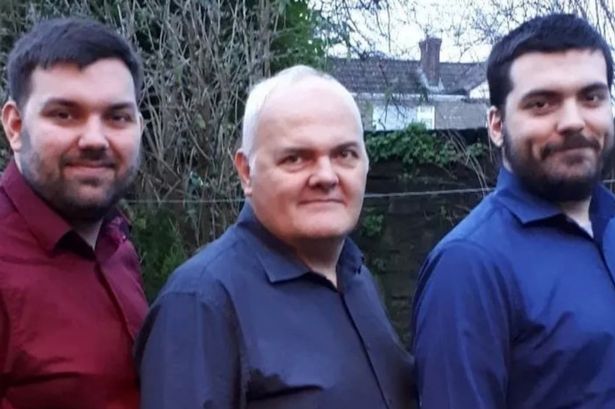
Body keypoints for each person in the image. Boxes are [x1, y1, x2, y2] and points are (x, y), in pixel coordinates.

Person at [136, 65, 414, 408]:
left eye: (345, 154)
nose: (326, 176)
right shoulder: (201, 304)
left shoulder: (357, 278)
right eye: (295, 158)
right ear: (245, 172)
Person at [412, 13, 615, 409]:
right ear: (496, 125)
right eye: (541, 103)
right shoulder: (469, 266)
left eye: (591, 98)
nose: (573, 122)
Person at [0, 17, 147, 408]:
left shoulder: (116, 246)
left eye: (117, 117)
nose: (95, 140)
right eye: (64, 114)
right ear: (15, 125)